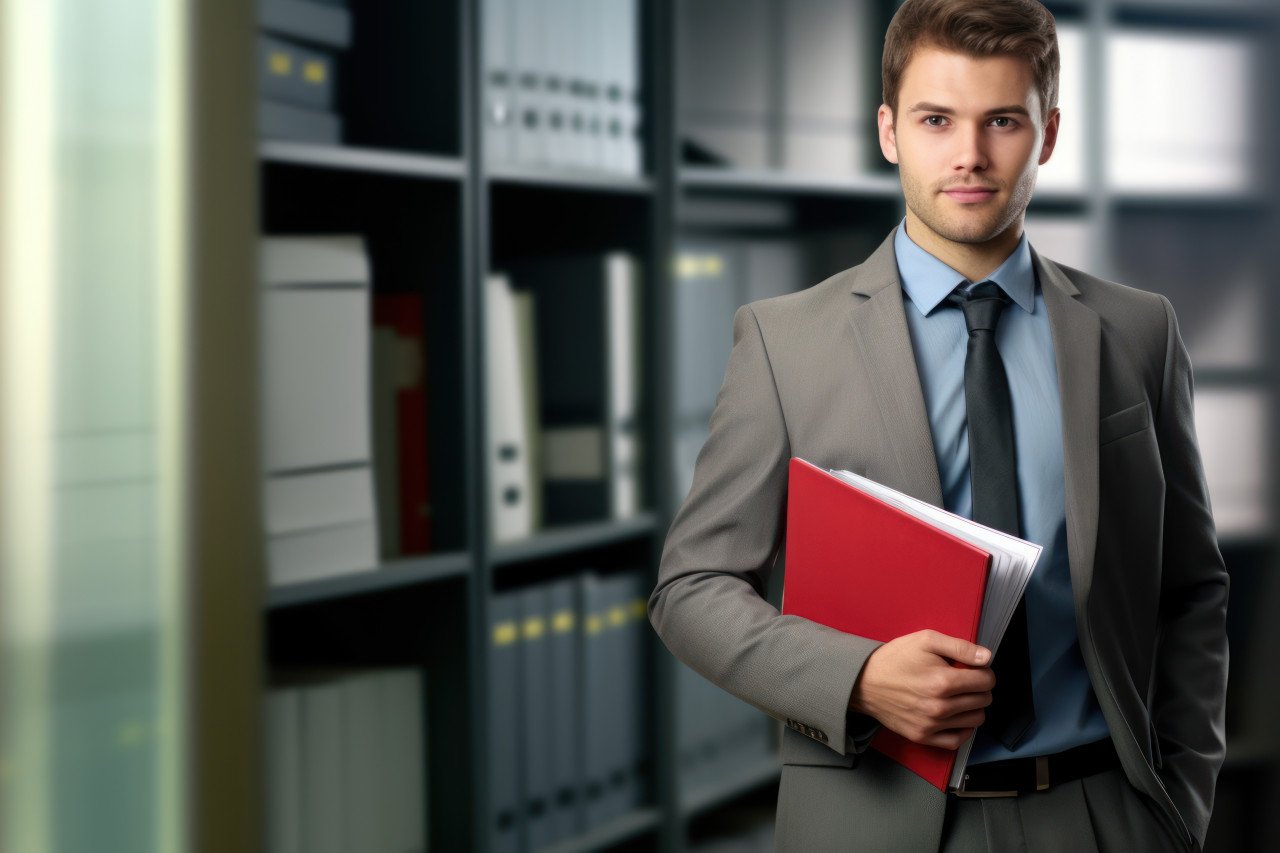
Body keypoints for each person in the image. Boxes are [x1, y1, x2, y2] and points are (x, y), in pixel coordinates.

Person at [647, 0, 1228, 849]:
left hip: (1101, 812)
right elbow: (689, 591)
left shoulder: (1137, 331)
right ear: (888, 131)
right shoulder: (783, 341)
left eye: (1002, 121)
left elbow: (1191, 589)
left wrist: (1179, 807)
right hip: (874, 817)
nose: (968, 155)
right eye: (935, 119)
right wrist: (858, 678)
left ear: (1050, 132)